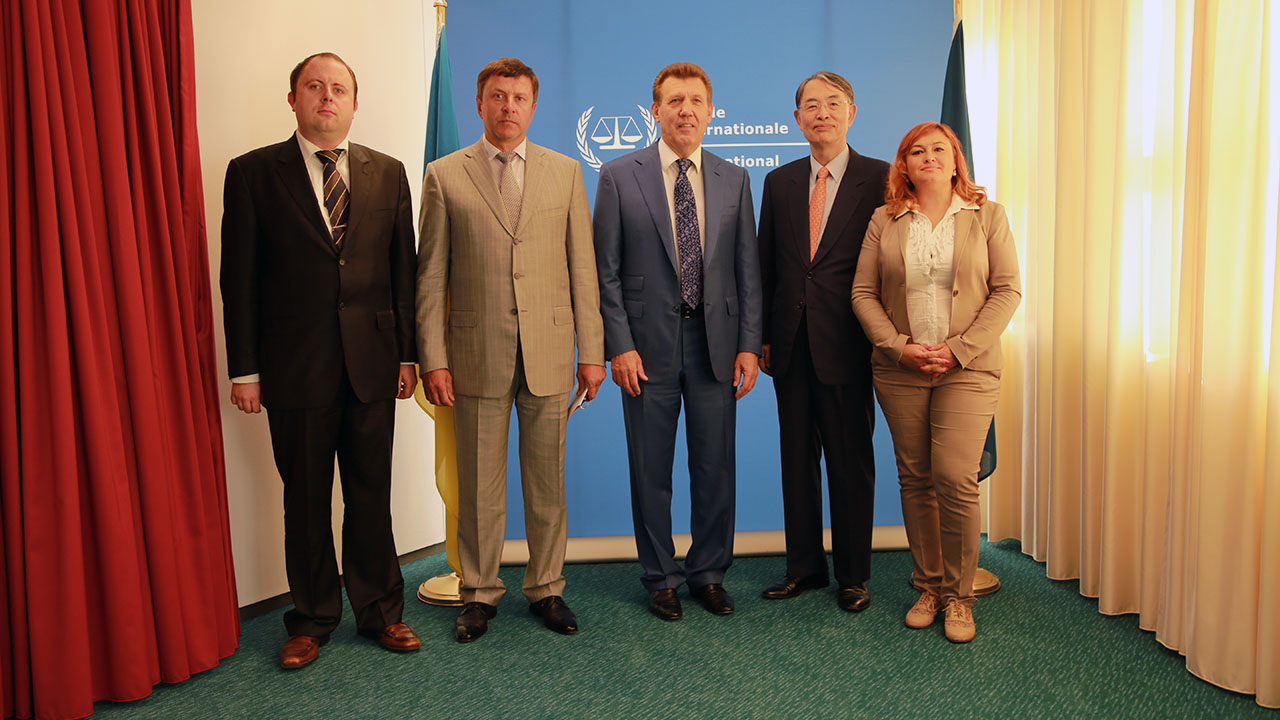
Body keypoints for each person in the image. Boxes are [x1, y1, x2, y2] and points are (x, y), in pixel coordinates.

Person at [220, 52, 421, 669]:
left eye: (339, 89)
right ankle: (311, 619)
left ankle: (382, 613)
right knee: (304, 500)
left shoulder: (387, 173)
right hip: (293, 367)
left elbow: (402, 274)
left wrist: (408, 356)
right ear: (294, 100)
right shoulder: (253, 173)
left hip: (373, 365)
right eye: (315, 87)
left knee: (370, 494)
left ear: (354, 103)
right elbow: (239, 279)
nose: (327, 97)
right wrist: (245, 369)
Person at [416, 57, 605, 643]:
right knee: (479, 486)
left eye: (519, 98)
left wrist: (592, 351)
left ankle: (547, 589)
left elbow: (583, 270)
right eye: (498, 97)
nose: (508, 108)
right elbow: (430, 279)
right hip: (475, 354)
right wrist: (433, 358)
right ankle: (479, 593)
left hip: (550, 350)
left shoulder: (565, 171)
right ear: (480, 104)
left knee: (548, 482)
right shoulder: (445, 174)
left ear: (533, 105)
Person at [594, 62, 763, 621]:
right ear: (655, 111)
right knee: (651, 469)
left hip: (717, 345)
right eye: (674, 101)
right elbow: (607, 273)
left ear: (711, 112)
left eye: (696, 101)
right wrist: (618, 345)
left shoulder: (734, 178)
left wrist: (748, 344)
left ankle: (709, 573)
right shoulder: (620, 176)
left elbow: (747, 271)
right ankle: (661, 576)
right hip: (645, 350)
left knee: (715, 468)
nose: (686, 110)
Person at [851, 122, 1020, 643]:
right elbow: (862, 293)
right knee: (917, 477)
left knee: (954, 476)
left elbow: (1008, 290)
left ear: (955, 161)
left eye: (938, 149)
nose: (927, 157)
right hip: (900, 370)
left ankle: (960, 595)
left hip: (967, 370)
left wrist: (957, 350)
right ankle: (930, 586)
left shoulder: (987, 216)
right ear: (904, 164)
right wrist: (900, 348)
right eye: (916, 151)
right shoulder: (885, 219)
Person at [756, 72, 888, 612]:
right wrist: (761, 338)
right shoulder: (780, 182)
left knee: (850, 463)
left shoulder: (880, 179)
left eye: (833, 104)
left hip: (850, 346)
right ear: (797, 120)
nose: (822, 114)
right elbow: (767, 267)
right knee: (796, 462)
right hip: (789, 347)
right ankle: (803, 568)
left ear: (852, 113)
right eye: (811, 106)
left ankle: (853, 575)